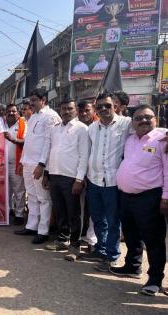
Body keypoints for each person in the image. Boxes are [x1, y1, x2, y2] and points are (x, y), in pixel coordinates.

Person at [113, 105, 167, 296]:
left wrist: (165, 198)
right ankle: (132, 266)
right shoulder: (130, 140)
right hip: (127, 196)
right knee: (131, 234)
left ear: (156, 119)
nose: (143, 121)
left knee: (153, 239)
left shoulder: (162, 139)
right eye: (138, 118)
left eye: (148, 117)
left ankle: (154, 279)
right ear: (133, 122)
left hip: (150, 197)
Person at [83, 90, 131, 272]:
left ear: (116, 106)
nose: (103, 109)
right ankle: (101, 250)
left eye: (107, 106)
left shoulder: (126, 124)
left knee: (113, 221)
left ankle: (112, 256)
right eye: (100, 106)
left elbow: (149, 131)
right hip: (94, 180)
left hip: (113, 182)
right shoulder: (92, 128)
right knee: (97, 218)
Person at [42, 99, 89, 261]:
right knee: (60, 210)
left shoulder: (82, 129)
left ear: (76, 110)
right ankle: (62, 239)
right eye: (63, 109)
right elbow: (51, 151)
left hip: (71, 177)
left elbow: (84, 156)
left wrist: (79, 179)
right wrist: (47, 174)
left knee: (74, 213)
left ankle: (75, 245)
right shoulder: (55, 129)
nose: (66, 111)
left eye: (70, 108)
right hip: (54, 175)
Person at [15, 88, 61, 244]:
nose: (31, 103)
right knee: (32, 196)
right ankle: (32, 226)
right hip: (28, 162)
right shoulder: (33, 116)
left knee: (43, 198)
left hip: (39, 164)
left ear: (44, 101)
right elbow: (28, 141)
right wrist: (22, 161)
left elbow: (49, 142)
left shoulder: (51, 116)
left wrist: (42, 164)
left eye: (34, 100)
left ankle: (43, 231)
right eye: (31, 100)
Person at [77, 100, 99, 250]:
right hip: (78, 174)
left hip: (96, 176)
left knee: (93, 209)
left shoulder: (98, 127)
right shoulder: (79, 128)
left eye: (87, 110)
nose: (84, 113)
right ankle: (78, 236)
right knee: (80, 207)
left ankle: (91, 239)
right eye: (81, 111)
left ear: (94, 111)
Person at [3, 104, 26, 225]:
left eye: (14, 111)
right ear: (5, 113)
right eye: (9, 111)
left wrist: (13, 139)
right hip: (1, 164)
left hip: (16, 163)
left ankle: (19, 214)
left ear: (18, 113)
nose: (11, 113)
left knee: (19, 190)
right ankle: (7, 211)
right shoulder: (1, 124)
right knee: (5, 190)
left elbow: (26, 142)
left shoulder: (23, 125)